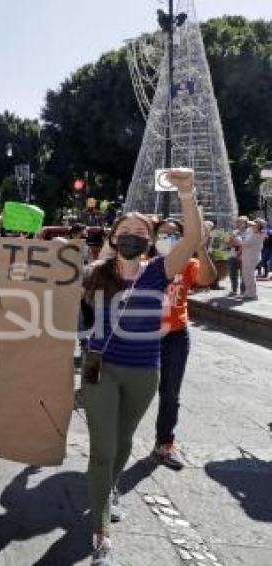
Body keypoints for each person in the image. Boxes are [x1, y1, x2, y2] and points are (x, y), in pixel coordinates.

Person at [81, 169, 203, 566]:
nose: (133, 234)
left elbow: (191, 240)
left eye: (140, 230)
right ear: (114, 237)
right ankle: (102, 535)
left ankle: (112, 486)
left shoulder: (158, 271)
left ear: (148, 241)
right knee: (102, 448)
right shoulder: (94, 274)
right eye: (125, 229)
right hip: (99, 366)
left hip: (143, 371)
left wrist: (186, 193)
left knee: (125, 441)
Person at [151, 219, 217, 471]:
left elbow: (207, 277)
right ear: (154, 237)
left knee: (170, 393)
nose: (168, 238)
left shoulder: (188, 263)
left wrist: (200, 248)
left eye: (175, 234)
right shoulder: (144, 263)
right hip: (142, 336)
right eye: (163, 234)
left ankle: (164, 443)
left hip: (175, 336)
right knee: (131, 392)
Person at [234, 219, 265, 299]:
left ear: (258, 226)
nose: (252, 226)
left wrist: (238, 239)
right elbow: (248, 224)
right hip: (248, 257)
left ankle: (253, 294)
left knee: (249, 275)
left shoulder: (258, 235)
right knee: (246, 275)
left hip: (252, 257)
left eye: (255, 225)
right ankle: (248, 292)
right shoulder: (252, 232)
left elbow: (244, 244)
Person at [227, 217, 249, 296]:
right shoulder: (234, 232)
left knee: (244, 275)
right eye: (237, 222)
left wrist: (239, 243)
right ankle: (234, 290)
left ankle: (243, 291)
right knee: (232, 274)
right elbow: (228, 244)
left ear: (245, 223)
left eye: (240, 222)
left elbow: (247, 244)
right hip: (233, 255)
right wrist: (231, 240)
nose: (238, 223)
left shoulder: (249, 232)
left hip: (244, 256)